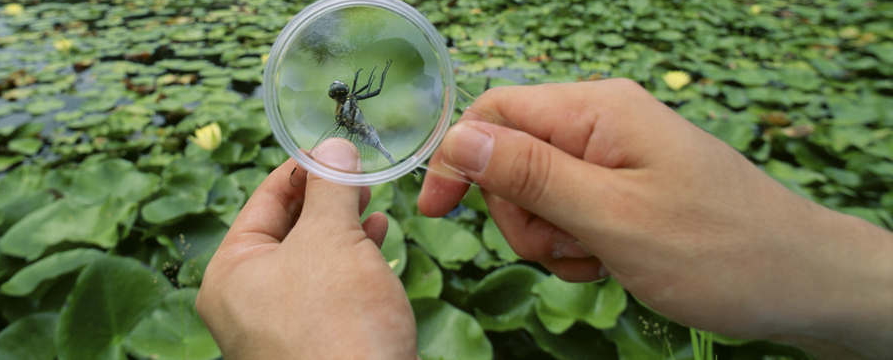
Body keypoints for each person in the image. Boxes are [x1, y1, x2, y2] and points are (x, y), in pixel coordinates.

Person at [196, 79, 893, 360]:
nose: (346, 95)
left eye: (345, 92)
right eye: (344, 93)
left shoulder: (351, 110)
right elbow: (365, 99)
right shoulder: (351, 112)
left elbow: (368, 94)